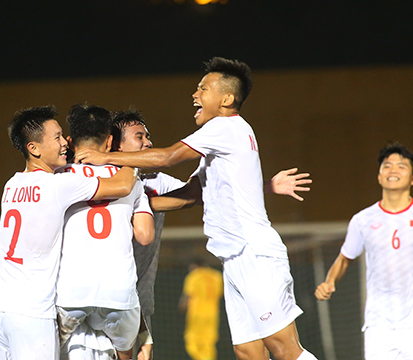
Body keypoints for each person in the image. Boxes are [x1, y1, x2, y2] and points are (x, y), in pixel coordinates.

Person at [74, 57, 318, 360]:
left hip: (254, 252)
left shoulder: (225, 128)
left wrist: (106, 158)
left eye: (203, 88)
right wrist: (128, 207)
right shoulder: (219, 142)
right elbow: (191, 194)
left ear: (226, 99)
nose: (195, 94)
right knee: (247, 351)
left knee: (284, 349)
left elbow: (168, 157)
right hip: (234, 258)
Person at [0, 105, 138, 360]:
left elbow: (6, 262)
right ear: (33, 148)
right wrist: (129, 157)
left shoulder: (11, 186)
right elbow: (124, 185)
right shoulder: (59, 184)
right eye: (57, 137)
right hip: (31, 315)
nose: (65, 144)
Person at [315, 142, 413, 360]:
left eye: (401, 166)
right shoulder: (362, 219)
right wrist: (330, 281)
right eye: (387, 166)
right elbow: (345, 258)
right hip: (378, 325)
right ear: (379, 176)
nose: (393, 170)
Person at [55, 104, 155, 360]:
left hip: (70, 291)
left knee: (47, 350)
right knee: (126, 353)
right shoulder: (129, 179)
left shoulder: (59, 177)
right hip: (118, 291)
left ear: (69, 140)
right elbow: (145, 235)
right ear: (110, 141)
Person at [178, 258, 223, 360]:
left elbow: (187, 297)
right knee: (209, 343)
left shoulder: (194, 276)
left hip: (196, 314)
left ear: (194, 265)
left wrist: (182, 306)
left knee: (191, 342)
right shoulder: (217, 276)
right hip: (212, 314)